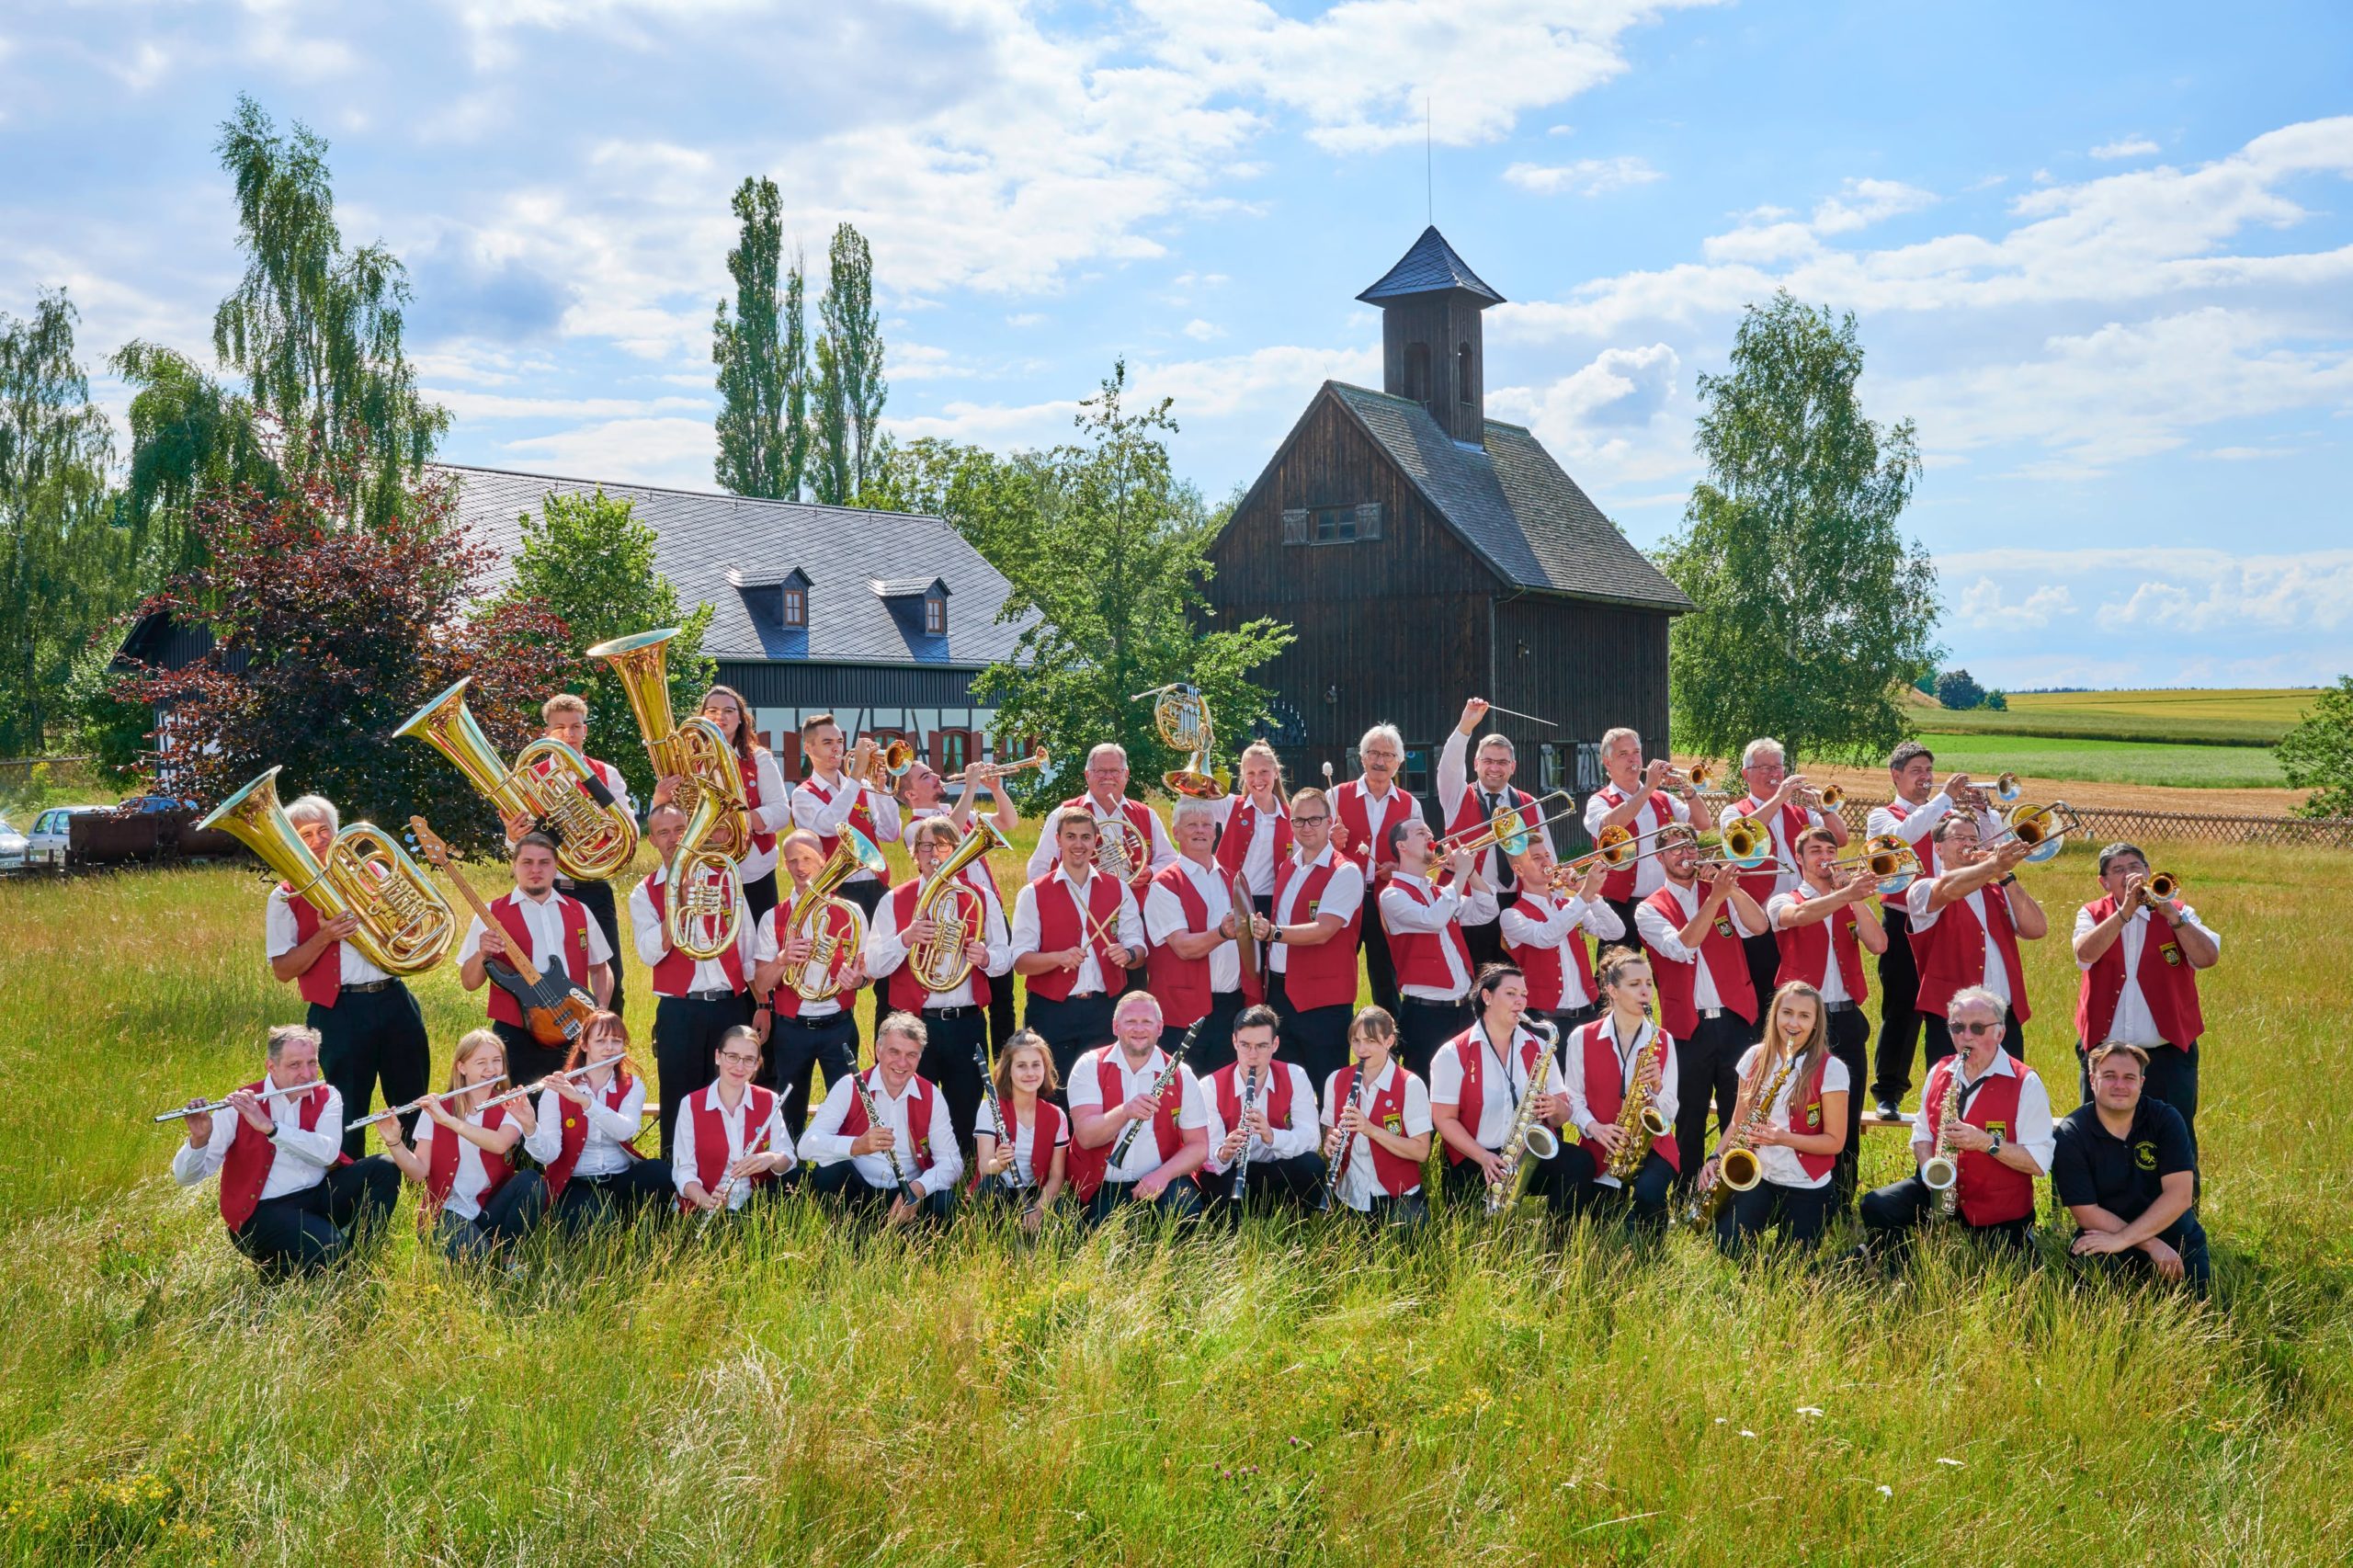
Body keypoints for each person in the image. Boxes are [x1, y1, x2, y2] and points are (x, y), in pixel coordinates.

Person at [262, 791, 432, 1158]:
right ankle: (350, 1196)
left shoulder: (374, 872)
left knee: (413, 1102)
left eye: (324, 831)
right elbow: (282, 969)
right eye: (305, 835)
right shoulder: (284, 897)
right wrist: (325, 936)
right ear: (293, 843)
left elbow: (413, 930)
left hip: (393, 999)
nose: (318, 840)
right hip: (337, 1011)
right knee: (344, 1109)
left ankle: (424, 1187)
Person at [169, 1024, 401, 1278]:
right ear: (272, 1067)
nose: (307, 1074)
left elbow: (327, 1152)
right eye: (295, 1065)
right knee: (334, 1256)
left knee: (384, 1167)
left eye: (312, 1063)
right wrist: (199, 1139)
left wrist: (271, 1128)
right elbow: (186, 1178)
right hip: (263, 1213)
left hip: (317, 1195)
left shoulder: (328, 1096)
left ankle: (362, 1263)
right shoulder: (238, 1106)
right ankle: (280, 1267)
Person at [1857, 986, 2054, 1261]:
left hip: (1997, 1205)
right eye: (1957, 1027)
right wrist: (1929, 1171)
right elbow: (1922, 1132)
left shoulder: (2026, 1083)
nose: (1966, 1037)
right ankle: (1901, 1267)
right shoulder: (1940, 1070)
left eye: (1977, 1028)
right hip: (1942, 1192)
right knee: (1876, 1205)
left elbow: (2039, 1162)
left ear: (2000, 1033)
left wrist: (1987, 1143)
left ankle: (1866, 1259)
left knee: (2006, 1274)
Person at [864, 814, 1012, 1153]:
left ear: (957, 852)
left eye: (942, 846)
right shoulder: (894, 900)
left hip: (965, 1022)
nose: (932, 853)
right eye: (925, 846)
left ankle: (963, 1182)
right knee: (911, 1111)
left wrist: (985, 957)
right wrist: (906, 938)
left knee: (966, 1111)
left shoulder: (981, 897)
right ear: (914, 855)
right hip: (915, 1025)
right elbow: (873, 963)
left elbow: (1005, 958)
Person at [632, 800, 767, 1155]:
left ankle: (731, 1176)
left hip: (729, 1008)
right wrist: (677, 906)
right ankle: (677, 1186)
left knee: (731, 1097)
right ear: (653, 841)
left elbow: (749, 949)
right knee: (678, 1099)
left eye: (681, 829)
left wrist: (763, 1004)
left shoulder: (725, 877)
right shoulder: (644, 891)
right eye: (664, 833)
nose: (674, 838)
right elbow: (648, 953)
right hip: (680, 1011)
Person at [1634, 825, 1768, 1183]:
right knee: (1689, 1117)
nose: (1685, 855)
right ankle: (1687, 1194)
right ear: (1659, 858)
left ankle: (1733, 1192)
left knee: (1738, 1111)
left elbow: (1758, 925)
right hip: (1688, 1027)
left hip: (1737, 1021)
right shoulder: (1649, 909)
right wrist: (1714, 898)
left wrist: (1732, 890)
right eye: (1675, 849)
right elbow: (1682, 947)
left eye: (1690, 846)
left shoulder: (1721, 893)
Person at [1866, 743, 1988, 1119]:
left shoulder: (1949, 814)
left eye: (1929, 769)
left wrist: (1985, 813)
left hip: (1946, 921)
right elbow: (1902, 837)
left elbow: (1985, 846)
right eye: (1917, 770)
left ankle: (1956, 1087)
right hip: (1902, 917)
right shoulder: (1881, 816)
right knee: (1901, 1006)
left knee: (1949, 1005)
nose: (1926, 777)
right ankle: (1889, 1092)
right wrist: (1944, 800)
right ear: (1896, 775)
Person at [2071, 843, 2221, 1150]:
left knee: (2174, 1139)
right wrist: (2124, 912)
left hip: (2166, 1052)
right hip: (2105, 1051)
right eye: (2119, 870)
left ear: (2149, 872)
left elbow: (2207, 957)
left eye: (2136, 867)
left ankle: (2181, 1199)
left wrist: (2170, 914)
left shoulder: (2180, 912)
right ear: (2104, 882)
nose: (2130, 875)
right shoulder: (2092, 913)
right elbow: (2085, 954)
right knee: (2101, 1138)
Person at [1768, 824, 1887, 1205]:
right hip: (1801, 1025)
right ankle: (1795, 1192)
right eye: (1816, 851)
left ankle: (1842, 1198)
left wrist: (1855, 899)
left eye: (1830, 850)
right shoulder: (1784, 897)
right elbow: (1796, 917)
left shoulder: (1849, 899)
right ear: (1799, 860)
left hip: (1847, 1018)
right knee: (1798, 1108)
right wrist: (1844, 895)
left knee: (1847, 1113)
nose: (1825, 857)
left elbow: (1879, 943)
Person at [509, 692, 637, 1017]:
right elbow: (518, 846)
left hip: (592, 887)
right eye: (560, 727)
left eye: (576, 726)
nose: (569, 734)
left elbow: (628, 830)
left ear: (585, 730)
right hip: (545, 891)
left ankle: (609, 1048)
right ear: (546, 733)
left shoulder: (604, 773)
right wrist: (513, 838)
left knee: (611, 976)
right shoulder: (528, 777)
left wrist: (594, 819)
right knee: (547, 974)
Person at [456, 832, 615, 1088]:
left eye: (544, 862)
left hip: (572, 1029)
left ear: (556, 867)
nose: (535, 870)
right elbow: (469, 982)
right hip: (517, 1035)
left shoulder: (579, 911)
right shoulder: (490, 914)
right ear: (514, 866)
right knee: (517, 1114)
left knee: (573, 1112)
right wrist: (481, 953)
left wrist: (599, 1014)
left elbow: (600, 968)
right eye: (527, 862)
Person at [1706, 982, 1848, 1258]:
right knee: (1727, 1245)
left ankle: (1851, 1260)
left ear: (1817, 1024)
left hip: (1808, 1185)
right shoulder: (1755, 1057)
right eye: (1787, 1012)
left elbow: (1835, 1142)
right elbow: (1738, 1121)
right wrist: (1715, 1157)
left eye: (1805, 1016)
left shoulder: (1832, 1069)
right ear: (1775, 1015)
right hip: (1761, 1179)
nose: (1793, 1023)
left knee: (1794, 1269)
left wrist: (1783, 1138)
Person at [2052, 1042, 2210, 1292]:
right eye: (2109, 1076)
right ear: (2092, 1080)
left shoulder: (2166, 1119)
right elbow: (2086, 1212)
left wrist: (2128, 1239)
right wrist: (2149, 1245)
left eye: (2129, 1077)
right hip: (2105, 1235)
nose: (2120, 1085)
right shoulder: (2072, 1133)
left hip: (2172, 1236)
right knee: (2091, 1282)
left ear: (2141, 1082)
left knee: (2199, 1314)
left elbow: (2180, 1196)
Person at [1011, 812, 1146, 1085]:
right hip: (1052, 1010)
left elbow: (1139, 950)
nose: (1078, 844)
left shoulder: (1118, 888)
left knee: (1102, 1090)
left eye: (1086, 837)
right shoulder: (1033, 892)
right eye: (1071, 836)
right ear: (1058, 839)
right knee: (1052, 1091)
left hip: (1105, 1008)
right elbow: (1020, 961)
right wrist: (1057, 958)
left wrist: (1128, 954)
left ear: (1096, 841)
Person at [374, 1028, 531, 1262]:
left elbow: (499, 1144)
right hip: (447, 1211)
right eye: (481, 1063)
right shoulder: (437, 1109)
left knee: (531, 1181)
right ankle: (480, 1248)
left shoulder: (509, 1103)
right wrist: (394, 1141)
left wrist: (449, 1121)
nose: (491, 1070)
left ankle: (507, 1255)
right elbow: (418, 1172)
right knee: (477, 1260)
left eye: (496, 1061)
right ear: (461, 1067)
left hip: (490, 1206)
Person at [1906, 812, 2049, 1069]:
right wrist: (1993, 866)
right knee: (1950, 1096)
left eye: (1973, 838)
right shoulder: (1923, 888)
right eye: (1958, 837)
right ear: (1938, 848)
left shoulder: (1997, 890)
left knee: (2005, 1096)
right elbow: (1949, 889)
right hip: (1953, 1019)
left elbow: (2037, 928)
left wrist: (2006, 875)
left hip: (2003, 1017)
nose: (1967, 843)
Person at [1428, 964, 1574, 1214]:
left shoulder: (1540, 1045)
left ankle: (1558, 1242)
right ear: (1487, 997)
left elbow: (1562, 1114)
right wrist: (1483, 1157)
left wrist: (1558, 1108)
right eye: (1511, 993)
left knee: (1578, 1164)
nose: (1520, 1002)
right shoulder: (1452, 1053)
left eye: (1524, 995)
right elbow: (1443, 1119)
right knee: (1473, 1233)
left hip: (1525, 1153)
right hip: (1474, 1159)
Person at [791, 712, 905, 1029]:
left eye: (840, 742)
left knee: (888, 971)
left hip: (875, 886)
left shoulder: (862, 784)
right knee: (840, 971)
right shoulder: (803, 795)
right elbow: (830, 824)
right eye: (827, 743)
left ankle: (890, 1039)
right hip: (836, 893)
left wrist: (880, 789)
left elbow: (890, 832)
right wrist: (856, 776)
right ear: (808, 748)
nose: (836, 749)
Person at [509, 1012, 671, 1234]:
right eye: (601, 1041)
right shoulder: (557, 1090)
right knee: (594, 1228)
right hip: (576, 1181)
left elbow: (626, 1130)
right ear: (584, 1045)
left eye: (616, 1041)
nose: (609, 1048)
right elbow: (548, 1155)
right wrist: (530, 1127)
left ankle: (643, 1226)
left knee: (661, 1173)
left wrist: (586, 1102)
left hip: (619, 1176)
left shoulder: (632, 1085)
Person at [1250, 787, 1366, 1096]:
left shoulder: (1346, 871)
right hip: (1281, 992)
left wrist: (1272, 932)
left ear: (1330, 822)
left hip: (1322, 999)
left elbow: (1324, 929)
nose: (1306, 827)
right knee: (1287, 1088)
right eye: (1299, 821)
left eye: (1315, 819)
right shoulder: (1288, 866)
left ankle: (1331, 1144)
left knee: (1327, 1087)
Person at [1557, 946, 1679, 1239]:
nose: (1645, 992)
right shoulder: (1581, 1038)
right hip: (1602, 1145)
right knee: (1600, 1221)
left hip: (1651, 1145)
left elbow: (1670, 1111)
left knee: (1650, 1196)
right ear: (1611, 990)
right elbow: (1573, 1098)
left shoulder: (1662, 1039)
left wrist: (1658, 1089)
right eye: (1635, 984)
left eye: (1649, 983)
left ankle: (1653, 1256)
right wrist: (1594, 1128)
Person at [752, 829, 866, 1141]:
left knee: (846, 1108)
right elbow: (762, 981)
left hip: (839, 1025)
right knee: (789, 1110)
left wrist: (858, 980)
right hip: (792, 1028)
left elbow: (866, 974)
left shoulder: (851, 912)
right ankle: (788, 1173)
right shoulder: (773, 918)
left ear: (824, 860)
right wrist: (783, 959)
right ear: (785, 866)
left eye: (808, 859)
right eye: (792, 861)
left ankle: (841, 1171)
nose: (800, 867)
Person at [1725, 737, 1848, 1023]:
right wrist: (1780, 797)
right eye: (1765, 768)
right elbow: (1740, 837)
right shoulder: (1736, 812)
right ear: (1746, 774)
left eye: (1778, 768)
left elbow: (1840, 839)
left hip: (1801, 914)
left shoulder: (1803, 813)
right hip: (1759, 921)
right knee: (1766, 995)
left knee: (1800, 991)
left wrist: (1824, 809)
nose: (1774, 774)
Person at [797, 1012, 962, 1224]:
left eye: (911, 1054)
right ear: (878, 1050)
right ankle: (847, 1234)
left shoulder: (931, 1095)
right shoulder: (850, 1086)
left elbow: (952, 1162)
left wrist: (919, 1188)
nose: (902, 1063)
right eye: (894, 1051)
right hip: (858, 1189)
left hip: (907, 1192)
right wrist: (856, 1146)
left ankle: (910, 1245)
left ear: (920, 1057)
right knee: (828, 1173)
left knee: (945, 1202)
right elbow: (806, 1146)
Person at [1065, 991, 1211, 1223]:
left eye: (1147, 1022)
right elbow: (1086, 1137)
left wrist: (1163, 1175)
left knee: (1185, 1216)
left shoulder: (1181, 1074)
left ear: (1160, 1028)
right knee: (1108, 1239)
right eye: (1130, 1021)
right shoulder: (1089, 1066)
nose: (1139, 1029)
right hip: (1103, 1182)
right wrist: (1125, 1112)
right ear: (1115, 1027)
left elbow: (1199, 1146)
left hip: (1161, 1180)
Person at [651, 684, 791, 923]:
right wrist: (660, 799)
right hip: (702, 867)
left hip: (754, 870)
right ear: (701, 716)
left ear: (741, 719)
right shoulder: (685, 761)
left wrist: (735, 821)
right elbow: (671, 815)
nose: (720, 716)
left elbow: (780, 813)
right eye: (712, 710)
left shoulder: (760, 759)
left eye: (728, 710)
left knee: (761, 942)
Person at [1436, 697, 1552, 970]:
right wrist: (1466, 726)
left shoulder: (1529, 803)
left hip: (1518, 902)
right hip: (1470, 902)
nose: (1495, 768)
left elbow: (1547, 855)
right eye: (1488, 760)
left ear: (1513, 767)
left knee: (1516, 978)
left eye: (1502, 762)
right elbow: (1449, 767)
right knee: (1473, 976)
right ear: (1475, 763)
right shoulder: (1457, 796)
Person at [1379, 817, 1496, 1081]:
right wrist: (1461, 876)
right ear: (1402, 846)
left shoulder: (1439, 891)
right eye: (1421, 833)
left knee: (1469, 1085)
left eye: (1429, 831)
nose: (1430, 837)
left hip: (1464, 1008)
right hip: (1426, 1013)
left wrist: (1471, 871)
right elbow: (1432, 919)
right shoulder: (1393, 894)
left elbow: (1487, 910)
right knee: (1426, 1087)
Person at [1143, 795, 1248, 1076]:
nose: (1200, 830)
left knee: (1224, 1093)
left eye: (1206, 824)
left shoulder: (1233, 878)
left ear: (1216, 832)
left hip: (1230, 1006)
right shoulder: (1164, 884)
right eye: (1191, 825)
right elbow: (1183, 947)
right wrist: (1224, 932)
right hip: (1183, 1011)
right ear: (1176, 832)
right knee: (1180, 1095)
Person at [1327, 722, 1424, 1016]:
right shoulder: (1335, 796)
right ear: (1362, 757)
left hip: (1388, 901)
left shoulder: (1410, 805)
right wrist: (1329, 841)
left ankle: (1391, 1047)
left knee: (1387, 978)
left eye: (1388, 755)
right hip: (1345, 900)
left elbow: (1422, 859)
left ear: (1399, 761)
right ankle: (1335, 1036)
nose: (1380, 761)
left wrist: (1400, 866)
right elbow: (1309, 846)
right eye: (1374, 753)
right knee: (1337, 972)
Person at [1584, 727, 1715, 937]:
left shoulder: (1663, 799)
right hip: (1621, 903)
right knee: (1620, 965)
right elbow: (1610, 827)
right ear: (1608, 763)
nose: (1632, 760)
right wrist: (1649, 788)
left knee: (1666, 965)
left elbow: (1703, 823)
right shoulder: (1599, 801)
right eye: (1623, 754)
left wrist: (1687, 789)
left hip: (1663, 899)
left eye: (1636, 752)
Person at [1198, 1005, 1325, 1215]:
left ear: (1275, 1044)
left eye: (1262, 1046)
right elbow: (1207, 1156)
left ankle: (1291, 1219)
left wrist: (1271, 1136)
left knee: (1312, 1166)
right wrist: (1224, 1152)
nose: (1253, 1055)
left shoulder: (1295, 1076)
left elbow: (1311, 1138)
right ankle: (1238, 1223)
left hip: (1277, 1168)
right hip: (1234, 1171)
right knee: (1214, 1184)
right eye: (1245, 1045)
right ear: (1234, 1042)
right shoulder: (1210, 1085)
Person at [1320, 1006, 1434, 1228]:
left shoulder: (1410, 1085)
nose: (1361, 1049)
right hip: (1349, 1195)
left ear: (1389, 1041)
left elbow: (1421, 1151)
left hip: (1397, 1195)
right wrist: (1329, 1141)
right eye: (1356, 1041)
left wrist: (1371, 1129)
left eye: (1371, 1041)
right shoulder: (1336, 1080)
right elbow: (1329, 1130)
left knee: (1405, 1241)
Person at [1023, 742, 1176, 903]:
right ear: (1087, 775)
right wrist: (1054, 903)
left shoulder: (1147, 815)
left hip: (1136, 908)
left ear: (1126, 774)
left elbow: (1170, 859)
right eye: (1100, 771)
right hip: (1080, 908)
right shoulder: (1063, 814)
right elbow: (1039, 867)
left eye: (1115, 771)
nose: (1108, 776)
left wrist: (1151, 872)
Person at [1500, 841, 1623, 1035]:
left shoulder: (1571, 904)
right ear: (1518, 869)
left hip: (1587, 1014)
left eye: (1547, 855)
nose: (1546, 862)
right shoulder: (1512, 915)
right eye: (1536, 858)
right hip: (1544, 1020)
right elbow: (1546, 937)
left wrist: (1590, 896)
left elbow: (1615, 932)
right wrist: (1585, 894)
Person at [672, 1026, 798, 1215]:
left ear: (757, 1064)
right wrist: (706, 1201)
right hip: (708, 1205)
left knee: (799, 1178)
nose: (740, 1067)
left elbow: (788, 1158)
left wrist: (771, 1158)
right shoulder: (691, 1104)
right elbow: (683, 1171)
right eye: (732, 1056)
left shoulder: (769, 1100)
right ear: (718, 1056)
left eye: (749, 1060)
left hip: (756, 1205)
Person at [972, 1029, 1068, 1230]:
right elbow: (984, 1166)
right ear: (1009, 1070)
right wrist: (999, 1163)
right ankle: (996, 1245)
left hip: (1036, 1194)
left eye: (1036, 1065)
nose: (1030, 1073)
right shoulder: (990, 1107)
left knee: (1066, 1213)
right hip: (999, 1190)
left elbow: (1056, 1177)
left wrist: (1038, 1210)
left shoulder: (1057, 1115)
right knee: (990, 1188)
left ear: (1045, 1069)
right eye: (1021, 1066)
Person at [1211, 740, 1290, 917]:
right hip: (1226, 897)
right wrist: (1198, 756)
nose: (1257, 780)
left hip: (1268, 904)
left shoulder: (1291, 817)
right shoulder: (1230, 805)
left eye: (1264, 772)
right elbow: (1193, 804)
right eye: (1251, 773)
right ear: (1243, 776)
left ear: (1276, 773)